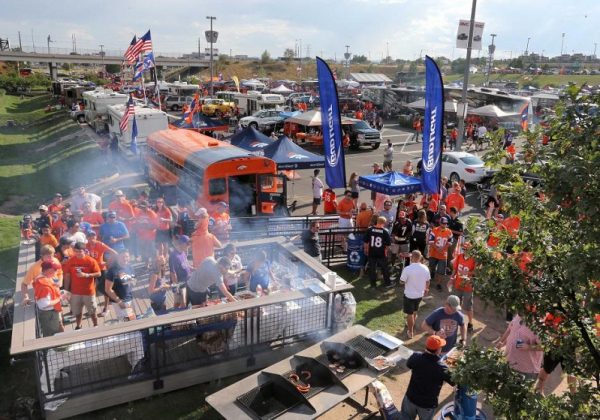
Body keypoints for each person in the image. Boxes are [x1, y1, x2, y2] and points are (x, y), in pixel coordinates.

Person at [400, 335, 454, 420]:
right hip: (427, 405)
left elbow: (409, 364)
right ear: (438, 350)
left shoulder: (416, 356)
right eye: (441, 347)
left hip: (410, 398)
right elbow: (454, 381)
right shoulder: (441, 368)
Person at [63, 242, 101, 329]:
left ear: (84, 251)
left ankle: (96, 325)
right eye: (76, 251)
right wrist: (66, 290)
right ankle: (78, 326)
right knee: (77, 312)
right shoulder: (70, 261)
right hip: (75, 292)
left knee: (92, 311)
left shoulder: (91, 261)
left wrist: (86, 275)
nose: (78, 253)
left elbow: (99, 273)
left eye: (80, 251)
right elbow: (67, 276)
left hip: (89, 292)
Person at [495, 312, 543, 380]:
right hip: (508, 362)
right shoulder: (519, 315)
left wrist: (528, 347)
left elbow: (546, 347)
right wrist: (500, 343)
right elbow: (509, 329)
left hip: (525, 370)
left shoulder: (540, 326)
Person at [400, 251, 430, 339]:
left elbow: (402, 281)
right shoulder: (425, 268)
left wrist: (401, 281)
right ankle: (411, 323)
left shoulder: (407, 269)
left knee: (409, 314)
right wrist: (426, 289)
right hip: (419, 295)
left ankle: (410, 331)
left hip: (409, 295)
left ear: (412, 257)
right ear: (420, 257)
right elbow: (428, 281)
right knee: (415, 311)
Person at [33, 261, 65, 337]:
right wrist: (60, 299)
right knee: (52, 335)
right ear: (49, 270)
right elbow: (44, 304)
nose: (57, 271)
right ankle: (54, 349)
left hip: (53, 312)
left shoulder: (45, 277)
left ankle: (61, 348)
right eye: (55, 269)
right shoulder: (44, 286)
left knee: (60, 329)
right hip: (49, 314)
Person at [450, 241, 475, 331]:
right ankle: (456, 320)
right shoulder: (459, 256)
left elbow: (477, 272)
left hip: (468, 286)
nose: (464, 250)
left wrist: (467, 273)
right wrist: (451, 279)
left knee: (468, 306)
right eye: (464, 249)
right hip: (458, 284)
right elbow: (455, 269)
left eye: (466, 249)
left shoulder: (474, 259)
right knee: (456, 303)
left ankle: (470, 323)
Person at [105, 249, 136, 321]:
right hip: (120, 300)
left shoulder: (130, 267)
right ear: (118, 257)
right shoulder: (112, 271)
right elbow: (108, 289)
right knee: (128, 322)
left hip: (130, 298)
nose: (125, 259)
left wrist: (131, 280)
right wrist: (119, 302)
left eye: (127, 256)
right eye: (123, 257)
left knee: (133, 320)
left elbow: (133, 279)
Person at [363, 216, 392, 289]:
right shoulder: (385, 231)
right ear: (383, 223)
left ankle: (373, 285)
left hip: (371, 252)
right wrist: (386, 252)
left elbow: (366, 242)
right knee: (384, 268)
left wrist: (366, 250)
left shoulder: (370, 229)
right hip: (381, 253)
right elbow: (388, 244)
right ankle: (387, 283)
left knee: (372, 269)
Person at [428, 217, 453, 291]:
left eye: (445, 223)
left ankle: (438, 284)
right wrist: (437, 248)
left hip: (443, 254)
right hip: (433, 253)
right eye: (443, 223)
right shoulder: (434, 230)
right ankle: (429, 279)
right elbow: (430, 241)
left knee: (441, 271)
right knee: (431, 267)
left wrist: (442, 248)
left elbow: (450, 242)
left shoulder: (449, 231)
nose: (444, 225)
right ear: (440, 223)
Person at [169, 235, 193, 308]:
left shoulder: (183, 252)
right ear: (182, 244)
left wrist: (193, 268)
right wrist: (176, 288)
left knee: (181, 302)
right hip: (179, 283)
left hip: (186, 281)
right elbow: (173, 273)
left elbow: (185, 265)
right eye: (187, 244)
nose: (189, 246)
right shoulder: (174, 256)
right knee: (180, 302)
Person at [134, 200, 158, 265]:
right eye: (141, 207)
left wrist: (148, 227)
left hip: (150, 236)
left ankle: (154, 264)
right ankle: (146, 265)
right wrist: (137, 229)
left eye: (144, 207)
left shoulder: (151, 213)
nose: (142, 208)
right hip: (141, 236)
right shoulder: (139, 213)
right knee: (143, 251)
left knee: (152, 251)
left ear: (147, 206)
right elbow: (136, 222)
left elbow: (156, 225)